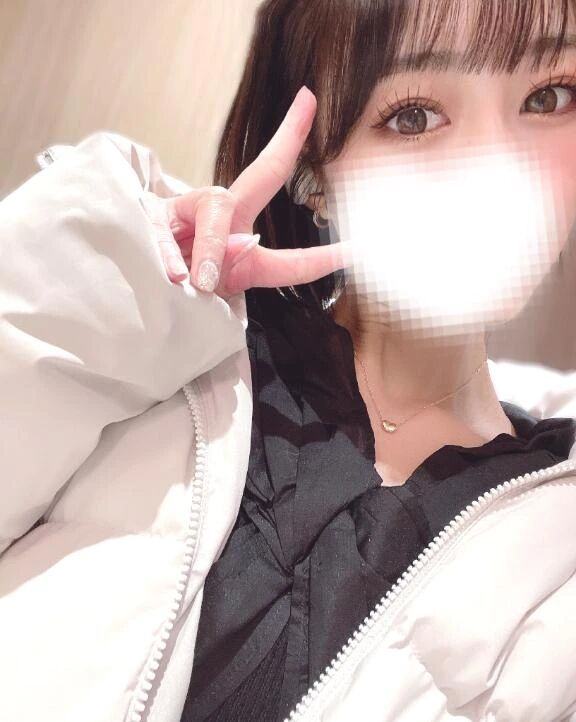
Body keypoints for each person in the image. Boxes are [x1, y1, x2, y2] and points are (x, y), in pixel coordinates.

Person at [0, 3, 576, 722]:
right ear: (314, 178)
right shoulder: (168, 352)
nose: (497, 167)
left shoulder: (560, 562)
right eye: (414, 116)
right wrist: (116, 291)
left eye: (548, 97)